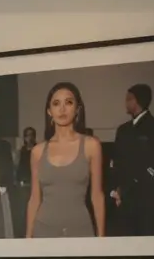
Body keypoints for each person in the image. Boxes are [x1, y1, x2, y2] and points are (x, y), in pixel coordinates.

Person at [26, 82, 105, 238]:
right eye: (56, 104)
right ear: (49, 111)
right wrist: (28, 239)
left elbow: (97, 196)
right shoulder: (37, 152)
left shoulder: (91, 145)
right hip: (43, 231)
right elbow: (34, 199)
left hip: (81, 231)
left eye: (68, 102)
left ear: (77, 109)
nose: (62, 109)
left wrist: (101, 239)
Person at [110, 83, 154, 236]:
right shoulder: (123, 129)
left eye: (127, 99)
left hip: (150, 196)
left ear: (135, 100)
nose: (126, 103)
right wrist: (118, 188)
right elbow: (117, 160)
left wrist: (152, 179)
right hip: (126, 195)